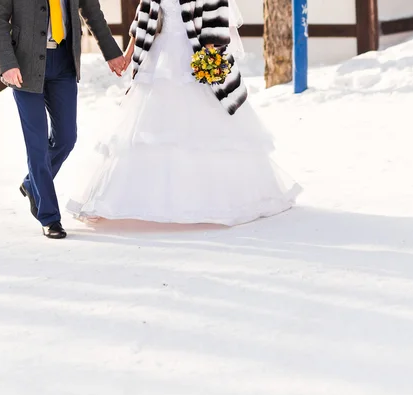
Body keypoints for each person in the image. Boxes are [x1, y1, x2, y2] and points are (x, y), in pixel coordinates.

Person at [66, 0, 302, 226]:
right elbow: (144, 16)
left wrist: (210, 58)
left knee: (204, 130)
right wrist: (128, 56)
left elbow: (216, 16)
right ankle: (144, 202)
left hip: (195, 54)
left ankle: (209, 202)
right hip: (158, 57)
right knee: (148, 130)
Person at [0, 0, 126, 239]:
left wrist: (111, 52)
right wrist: (7, 64)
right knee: (37, 145)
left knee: (66, 138)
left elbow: (91, 11)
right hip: (25, 65)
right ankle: (49, 216)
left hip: (63, 62)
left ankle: (33, 184)